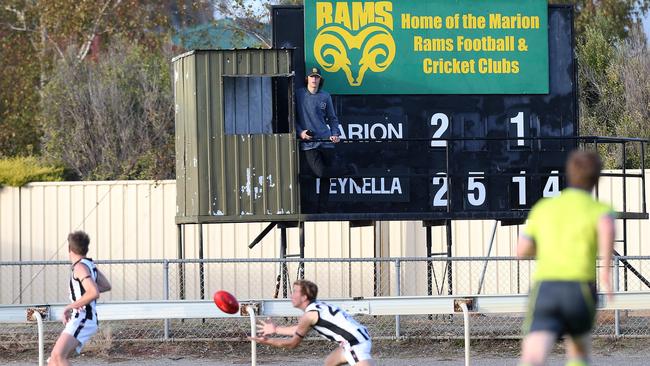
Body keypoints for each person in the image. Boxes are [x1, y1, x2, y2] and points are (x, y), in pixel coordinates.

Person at [517, 150, 615, 366]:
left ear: (568, 175)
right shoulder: (600, 209)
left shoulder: (543, 208)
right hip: (580, 290)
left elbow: (522, 250)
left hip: (547, 289)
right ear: (596, 179)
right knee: (578, 349)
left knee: (533, 355)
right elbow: (607, 226)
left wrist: (547, 250)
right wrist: (606, 273)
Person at [249, 279, 375, 366]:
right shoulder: (317, 307)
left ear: (304, 297)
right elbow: (299, 329)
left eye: (294, 292)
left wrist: (268, 341)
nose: (291, 296)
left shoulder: (309, 315)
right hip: (357, 339)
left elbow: (292, 344)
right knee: (330, 362)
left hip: (355, 344)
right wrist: (276, 329)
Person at [48, 231, 112, 366]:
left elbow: (94, 292)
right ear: (86, 249)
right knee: (53, 360)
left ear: (69, 249)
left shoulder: (80, 267)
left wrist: (70, 306)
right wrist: (83, 295)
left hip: (83, 318)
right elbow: (105, 286)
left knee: (59, 356)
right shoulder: (89, 265)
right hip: (82, 318)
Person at [296, 67, 356, 180]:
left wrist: (335, 134)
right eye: (312, 76)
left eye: (317, 77)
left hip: (326, 140)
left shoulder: (325, 96)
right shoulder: (298, 95)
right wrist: (301, 133)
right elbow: (292, 118)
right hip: (309, 143)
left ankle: (324, 198)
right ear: (307, 79)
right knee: (320, 173)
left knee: (326, 179)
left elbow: (332, 118)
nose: (314, 79)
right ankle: (350, 170)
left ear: (320, 80)